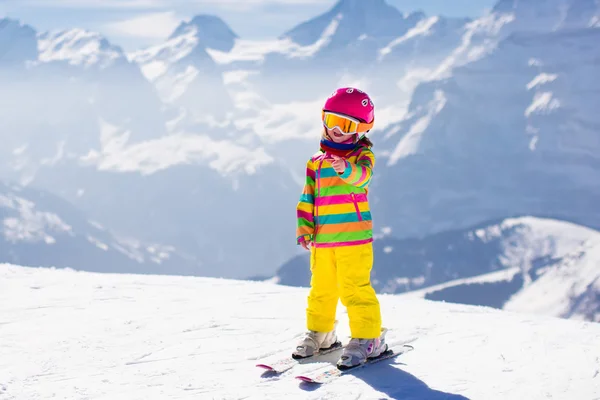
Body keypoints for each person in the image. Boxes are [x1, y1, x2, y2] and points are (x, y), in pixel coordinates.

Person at [292, 87, 387, 370]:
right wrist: (304, 228)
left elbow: (362, 178)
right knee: (321, 290)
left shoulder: (362, 157)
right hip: (323, 241)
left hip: (354, 241)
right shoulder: (316, 162)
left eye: (346, 125)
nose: (336, 130)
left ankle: (368, 338)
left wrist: (345, 167)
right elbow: (308, 196)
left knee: (354, 289)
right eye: (331, 120)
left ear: (360, 129)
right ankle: (322, 333)